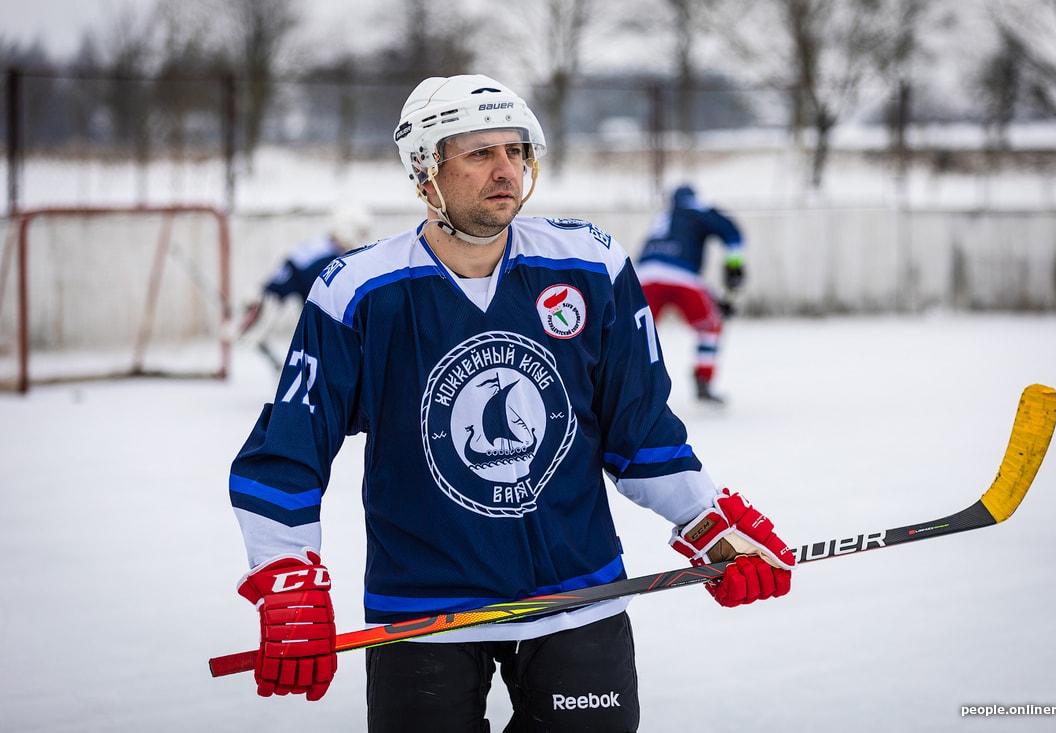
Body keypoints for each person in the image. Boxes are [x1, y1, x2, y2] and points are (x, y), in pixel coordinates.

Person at [227, 74, 794, 732]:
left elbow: (638, 429)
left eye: (516, 151)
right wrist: (287, 571)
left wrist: (705, 519)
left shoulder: (590, 264)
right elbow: (289, 448)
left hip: (578, 595)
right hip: (424, 610)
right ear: (425, 172)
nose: (507, 170)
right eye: (480, 153)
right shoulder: (357, 291)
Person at [635, 184, 746, 404]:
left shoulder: (664, 216)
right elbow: (732, 234)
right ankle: (703, 381)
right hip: (683, 275)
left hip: (644, 276)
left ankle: (629, 387)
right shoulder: (698, 209)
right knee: (710, 327)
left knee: (635, 334)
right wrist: (734, 267)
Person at [238, 203, 373, 366]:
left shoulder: (325, 250)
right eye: (361, 232)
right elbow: (276, 290)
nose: (363, 238)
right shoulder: (320, 257)